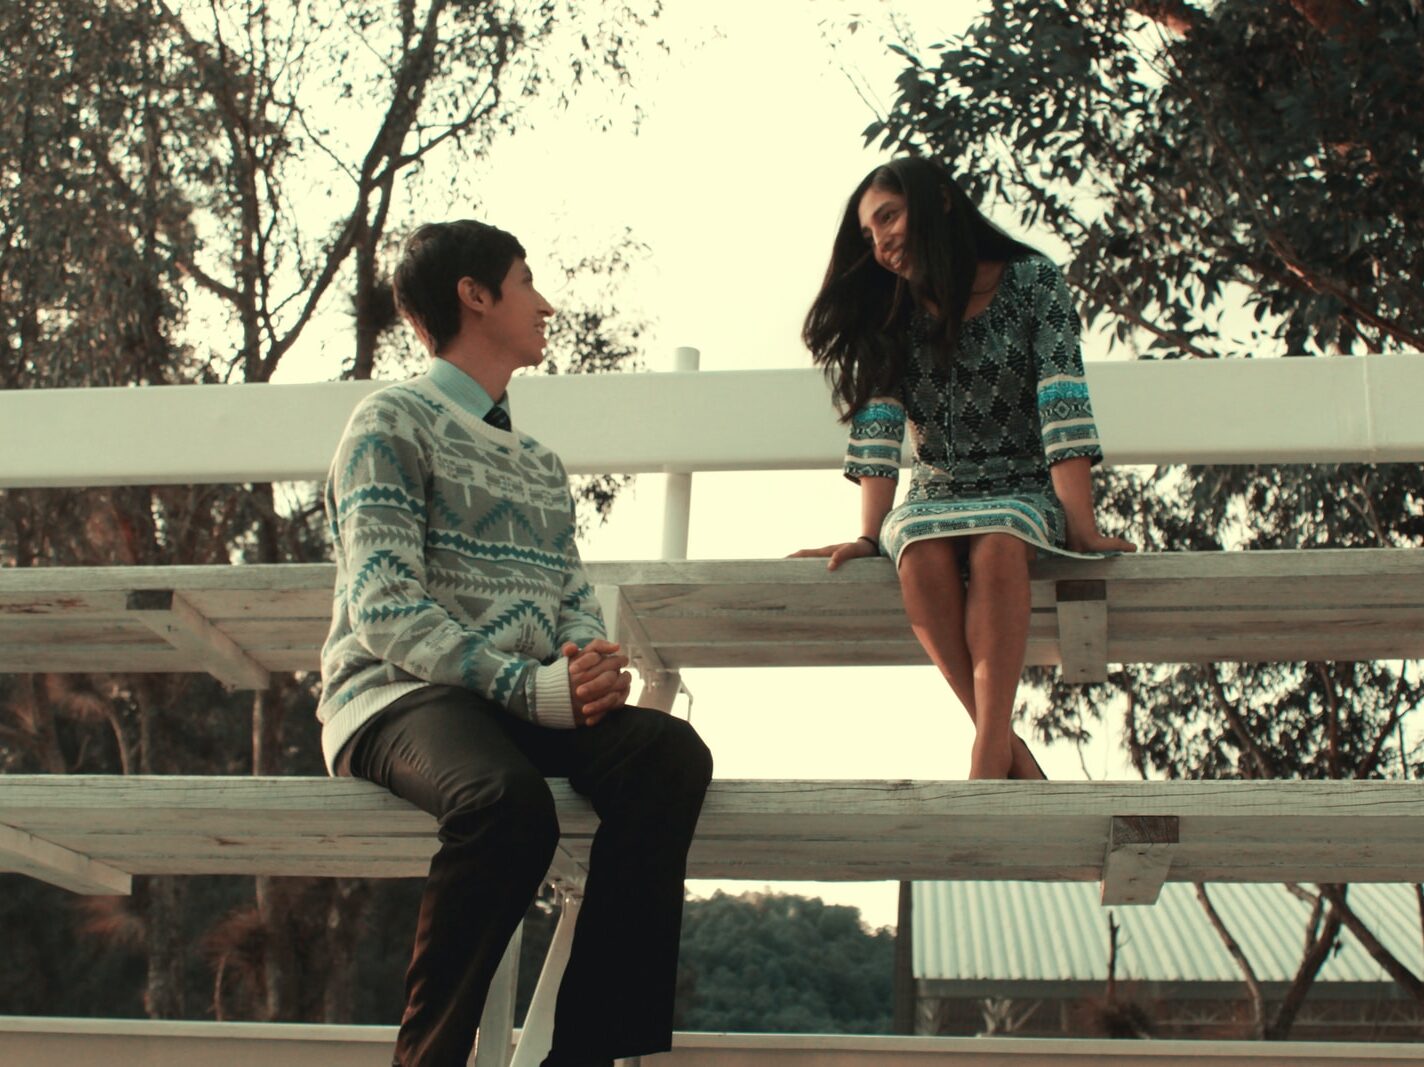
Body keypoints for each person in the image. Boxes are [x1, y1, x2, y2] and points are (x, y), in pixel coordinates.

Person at [316, 218, 713, 1067]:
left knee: (668, 755)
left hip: (520, 701)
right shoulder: (389, 421)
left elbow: (569, 590)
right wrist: (528, 687)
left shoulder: (539, 462)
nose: (546, 303)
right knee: (506, 805)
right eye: (527, 281)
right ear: (475, 294)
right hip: (397, 698)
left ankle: (586, 1056)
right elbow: (382, 606)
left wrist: (584, 657)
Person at [794, 156, 1135, 781]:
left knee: (999, 543)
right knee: (918, 550)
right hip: (934, 492)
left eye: (889, 217)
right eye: (869, 234)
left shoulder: (1034, 282)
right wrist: (871, 536)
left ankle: (986, 753)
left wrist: (1081, 527)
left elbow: (1062, 400)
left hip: (1023, 486)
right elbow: (879, 427)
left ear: (940, 202)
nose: (881, 242)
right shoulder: (890, 313)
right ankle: (1007, 748)